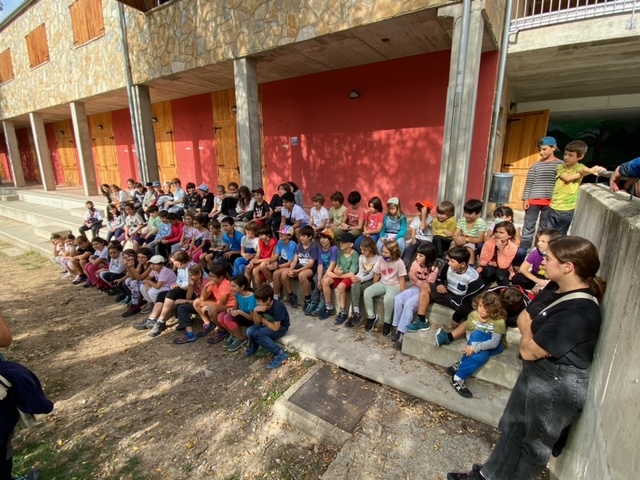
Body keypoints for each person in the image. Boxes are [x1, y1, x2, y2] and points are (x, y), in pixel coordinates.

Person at [447, 236, 605, 480]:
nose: (543, 262)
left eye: (549, 259)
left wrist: (529, 334)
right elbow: (523, 318)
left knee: (534, 446)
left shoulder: (579, 311)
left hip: (556, 382)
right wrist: (530, 334)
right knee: (511, 426)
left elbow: (528, 350)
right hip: (537, 372)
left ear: (568, 267)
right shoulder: (554, 287)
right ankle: (488, 476)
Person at [406, 247, 484, 332]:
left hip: (461, 301)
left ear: (462, 264)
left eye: (452, 261)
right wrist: (440, 284)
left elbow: (469, 301)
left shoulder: (474, 278)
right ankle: (421, 321)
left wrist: (456, 317)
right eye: (449, 260)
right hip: (446, 293)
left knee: (472, 315)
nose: (449, 263)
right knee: (425, 286)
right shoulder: (448, 266)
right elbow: (440, 278)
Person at [446, 291, 508, 399]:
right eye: (480, 305)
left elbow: (494, 343)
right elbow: (469, 334)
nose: (481, 309)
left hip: (497, 346)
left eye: (486, 307)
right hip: (477, 341)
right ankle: (457, 378)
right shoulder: (473, 315)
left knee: (479, 335)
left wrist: (474, 347)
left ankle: (460, 369)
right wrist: (472, 345)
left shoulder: (499, 321)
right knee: (482, 354)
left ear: (494, 308)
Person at [548, 140, 606, 235]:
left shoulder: (580, 167)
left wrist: (591, 170)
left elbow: (584, 169)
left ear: (580, 156)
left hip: (567, 209)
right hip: (553, 206)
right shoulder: (560, 166)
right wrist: (587, 172)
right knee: (547, 233)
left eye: (570, 155)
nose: (566, 157)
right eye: (565, 154)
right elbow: (567, 178)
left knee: (559, 236)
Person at [134, 250, 194, 337]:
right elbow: (179, 280)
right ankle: (152, 319)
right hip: (181, 289)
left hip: (191, 291)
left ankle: (161, 322)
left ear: (180, 259)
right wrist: (177, 284)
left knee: (171, 294)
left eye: (174, 262)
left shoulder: (192, 267)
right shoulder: (180, 268)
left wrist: (179, 285)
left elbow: (191, 283)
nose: (173, 264)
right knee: (161, 295)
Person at [392, 242, 439, 349]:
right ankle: (396, 327)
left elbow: (427, 286)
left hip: (424, 293)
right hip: (415, 288)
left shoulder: (434, 269)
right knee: (398, 298)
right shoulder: (415, 263)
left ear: (429, 256)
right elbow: (411, 275)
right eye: (417, 254)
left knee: (409, 304)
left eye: (421, 255)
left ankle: (402, 334)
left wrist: (416, 280)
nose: (417, 257)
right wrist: (417, 281)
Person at [520, 136, 563, 249]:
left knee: (544, 227)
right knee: (528, 225)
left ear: (553, 148)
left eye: (544, 149)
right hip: (533, 200)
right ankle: (524, 249)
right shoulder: (535, 166)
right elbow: (529, 183)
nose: (541, 152)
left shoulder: (561, 165)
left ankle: (539, 249)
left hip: (550, 201)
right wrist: (525, 199)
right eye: (540, 150)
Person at [363, 240, 407, 334]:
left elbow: (402, 279)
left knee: (388, 299)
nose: (383, 254)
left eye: (386, 252)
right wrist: (374, 287)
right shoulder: (380, 259)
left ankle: (387, 322)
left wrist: (404, 295)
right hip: (382, 283)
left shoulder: (399, 262)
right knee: (367, 292)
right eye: (382, 251)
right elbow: (377, 274)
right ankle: (371, 317)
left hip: (394, 286)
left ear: (393, 252)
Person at [247, 284, 290, 369]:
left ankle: (280, 353)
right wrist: (255, 311)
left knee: (259, 334)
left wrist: (262, 319)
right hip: (268, 326)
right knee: (250, 331)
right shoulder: (261, 306)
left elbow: (276, 328)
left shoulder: (278, 307)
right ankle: (255, 346)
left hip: (281, 328)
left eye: (259, 301)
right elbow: (257, 323)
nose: (257, 303)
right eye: (257, 301)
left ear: (268, 300)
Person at [319, 232, 359, 320]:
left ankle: (343, 312)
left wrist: (336, 276)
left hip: (349, 277)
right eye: (341, 242)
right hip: (340, 275)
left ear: (351, 244)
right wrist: (336, 271)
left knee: (341, 287)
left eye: (344, 242)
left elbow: (352, 274)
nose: (341, 244)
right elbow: (337, 266)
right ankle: (329, 307)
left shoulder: (355, 255)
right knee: (325, 281)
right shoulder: (340, 252)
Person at [277, 226, 318, 310]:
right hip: (299, 266)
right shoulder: (299, 246)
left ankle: (307, 299)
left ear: (310, 237)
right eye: (300, 236)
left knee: (301, 275)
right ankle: (291, 295)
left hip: (310, 268)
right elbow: (295, 260)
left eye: (304, 236)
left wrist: (297, 271)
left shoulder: (314, 247)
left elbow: (310, 264)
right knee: (284, 274)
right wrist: (291, 270)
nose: (301, 238)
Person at [194, 264, 235, 344]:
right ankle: (208, 324)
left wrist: (208, 307)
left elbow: (222, 303)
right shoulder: (213, 283)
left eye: (213, 276)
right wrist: (205, 286)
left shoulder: (225, 284)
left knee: (212, 309)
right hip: (219, 303)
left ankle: (222, 331)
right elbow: (202, 298)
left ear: (221, 277)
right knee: (197, 302)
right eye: (210, 275)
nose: (210, 278)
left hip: (230, 305)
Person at [344, 236, 379, 328]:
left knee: (357, 286)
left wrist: (360, 279)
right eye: (361, 249)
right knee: (354, 285)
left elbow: (372, 275)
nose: (362, 252)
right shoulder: (361, 257)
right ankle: (356, 313)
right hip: (362, 278)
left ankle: (357, 314)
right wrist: (356, 278)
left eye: (364, 250)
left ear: (370, 249)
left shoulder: (377, 259)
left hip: (372, 280)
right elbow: (361, 271)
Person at [215, 275, 256, 352]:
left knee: (227, 318)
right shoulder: (237, 294)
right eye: (231, 285)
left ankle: (241, 338)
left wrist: (240, 312)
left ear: (242, 287)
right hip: (242, 314)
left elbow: (253, 318)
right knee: (221, 316)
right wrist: (231, 310)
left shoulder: (251, 298)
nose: (231, 288)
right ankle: (233, 335)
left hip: (249, 319)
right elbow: (235, 307)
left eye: (234, 286)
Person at [171, 265, 207, 344]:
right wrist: (190, 286)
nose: (190, 278)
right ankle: (188, 330)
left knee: (182, 307)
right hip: (198, 304)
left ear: (199, 274)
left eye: (191, 275)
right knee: (179, 306)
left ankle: (190, 335)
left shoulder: (205, 284)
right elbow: (188, 297)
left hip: (206, 304)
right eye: (189, 276)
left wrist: (184, 301)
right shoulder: (194, 283)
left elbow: (201, 301)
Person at [307, 229, 339, 317]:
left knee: (323, 282)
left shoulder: (334, 249)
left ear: (330, 239)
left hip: (332, 270)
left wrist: (323, 278)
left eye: (325, 238)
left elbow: (332, 264)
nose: (322, 240)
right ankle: (314, 301)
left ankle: (322, 303)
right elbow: (320, 264)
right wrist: (319, 279)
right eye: (321, 238)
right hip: (324, 269)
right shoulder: (320, 249)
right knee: (315, 279)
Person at [477, 222, 518, 287]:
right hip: (490, 267)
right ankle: (480, 288)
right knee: (488, 271)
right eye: (496, 232)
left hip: (504, 270)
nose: (497, 234)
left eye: (501, 232)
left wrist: (500, 250)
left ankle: (505, 289)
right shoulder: (488, 243)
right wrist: (488, 263)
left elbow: (503, 266)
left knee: (500, 272)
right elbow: (482, 261)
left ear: (509, 235)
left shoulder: (513, 247)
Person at [257, 225, 297, 290]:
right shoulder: (280, 241)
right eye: (280, 233)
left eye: (283, 233)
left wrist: (277, 267)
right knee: (263, 265)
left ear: (289, 236)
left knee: (275, 272)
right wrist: (269, 261)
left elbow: (290, 262)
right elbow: (276, 256)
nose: (280, 234)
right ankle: (272, 284)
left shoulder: (292, 244)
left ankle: (276, 292)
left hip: (289, 263)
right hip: (282, 260)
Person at [451, 199, 486, 265]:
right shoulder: (461, 220)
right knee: (453, 244)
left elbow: (480, 239)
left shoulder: (481, 223)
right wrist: (457, 239)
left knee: (469, 247)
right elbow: (455, 234)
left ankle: (471, 266)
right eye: (465, 212)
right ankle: (447, 263)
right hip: (461, 239)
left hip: (472, 242)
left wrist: (466, 239)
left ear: (478, 213)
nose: (466, 215)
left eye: (470, 213)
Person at [402, 198, 434, 269]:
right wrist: (413, 238)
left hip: (427, 239)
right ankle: (405, 266)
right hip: (417, 238)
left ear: (427, 211)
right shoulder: (416, 218)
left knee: (420, 250)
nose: (420, 211)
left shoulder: (430, 219)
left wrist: (424, 216)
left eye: (422, 210)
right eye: (419, 209)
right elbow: (413, 230)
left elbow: (423, 227)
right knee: (408, 249)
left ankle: (417, 267)